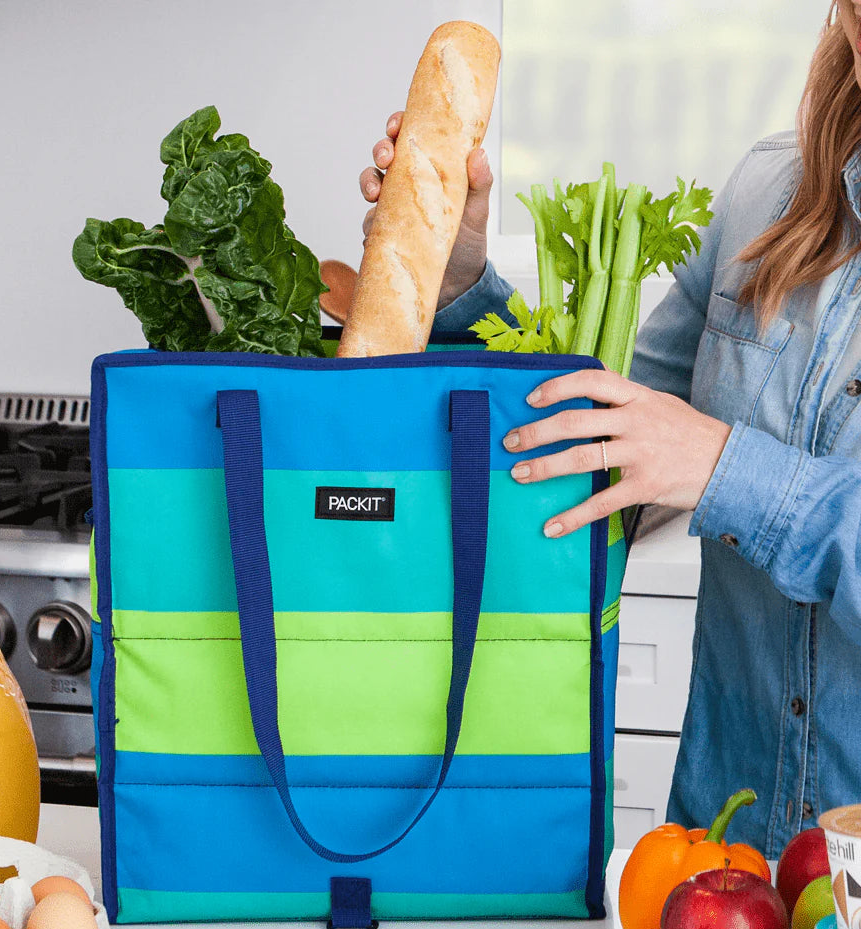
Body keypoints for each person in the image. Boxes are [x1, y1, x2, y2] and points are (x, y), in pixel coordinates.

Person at [358, 3, 861, 858]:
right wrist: (460, 280)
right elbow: (598, 444)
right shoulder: (767, 195)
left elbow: (700, 460)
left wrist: (725, 467)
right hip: (716, 858)